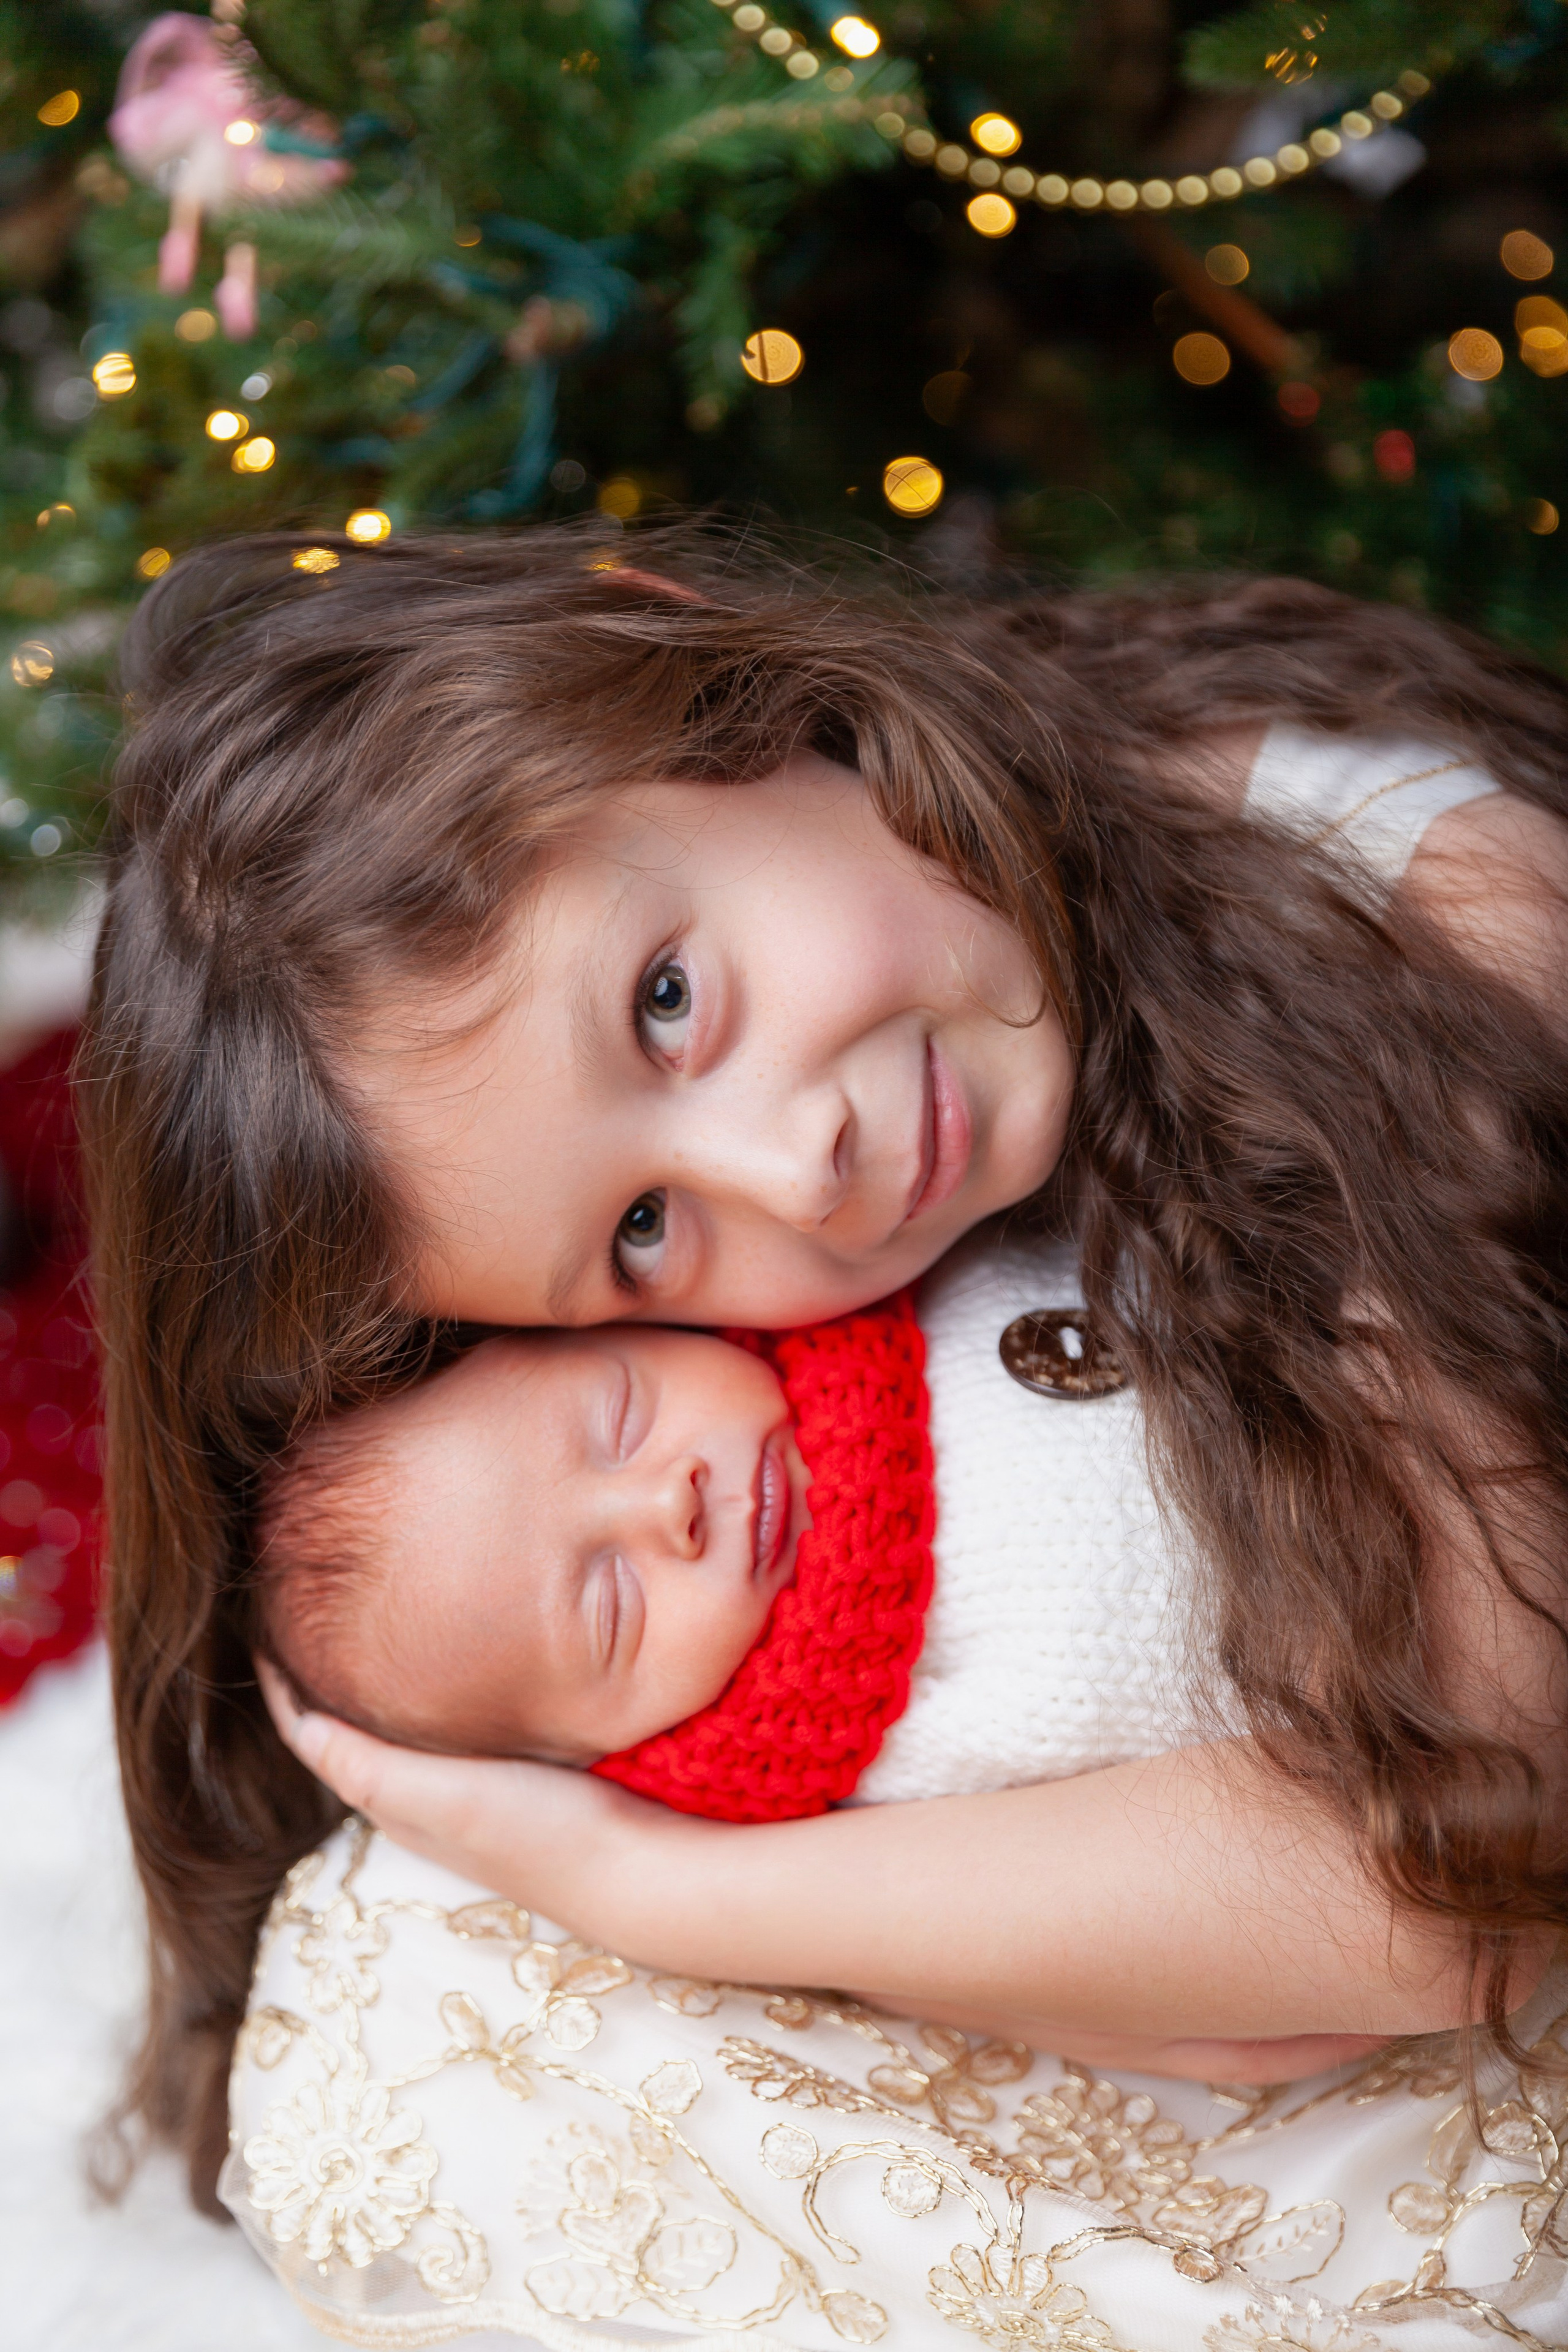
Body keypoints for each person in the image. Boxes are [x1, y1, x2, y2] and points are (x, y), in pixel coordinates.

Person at [83, 524, 1568, 2342]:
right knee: (400, 1974)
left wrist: (663, 1890)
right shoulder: (900, 1137)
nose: (800, 1170)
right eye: (642, 1230)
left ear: (708, 690)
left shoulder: (1434, 919)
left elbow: (1452, 1878)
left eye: (667, 1003)